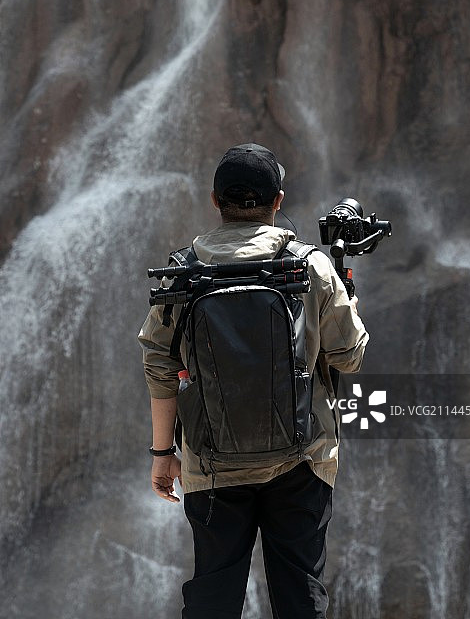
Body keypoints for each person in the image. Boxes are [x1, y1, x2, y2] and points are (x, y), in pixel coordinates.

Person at [138, 143, 369, 619]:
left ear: (214, 200)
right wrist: (348, 296)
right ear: (278, 201)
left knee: (213, 595)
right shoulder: (310, 265)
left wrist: (164, 455)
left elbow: (160, 367)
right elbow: (349, 357)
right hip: (302, 459)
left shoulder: (182, 272)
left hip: (211, 463)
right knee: (300, 593)